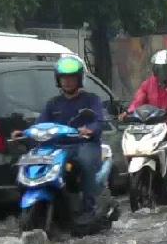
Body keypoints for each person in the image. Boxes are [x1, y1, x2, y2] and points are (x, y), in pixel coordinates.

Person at [13, 56, 105, 224]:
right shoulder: (53, 103)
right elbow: (40, 124)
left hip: (83, 144)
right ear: (58, 79)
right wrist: (25, 133)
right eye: (64, 78)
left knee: (85, 164)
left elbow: (98, 121)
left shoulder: (91, 99)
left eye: (71, 78)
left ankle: (88, 207)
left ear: (79, 79)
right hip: (57, 146)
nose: (67, 82)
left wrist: (89, 130)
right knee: (27, 163)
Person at [119, 50, 167, 184]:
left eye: (166, 69)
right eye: (159, 69)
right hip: (151, 125)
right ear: (154, 69)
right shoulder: (147, 84)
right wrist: (129, 113)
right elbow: (137, 102)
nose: (162, 73)